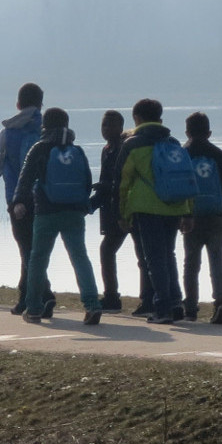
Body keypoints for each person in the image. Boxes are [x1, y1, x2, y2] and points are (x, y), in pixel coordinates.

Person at [11, 108, 102, 325]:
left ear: (45, 126)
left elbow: (25, 179)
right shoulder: (76, 149)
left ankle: (33, 309)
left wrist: (19, 202)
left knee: (38, 259)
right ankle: (92, 304)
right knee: (80, 257)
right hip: (74, 213)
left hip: (46, 212)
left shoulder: (39, 148)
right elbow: (87, 182)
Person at [117, 99, 194, 325]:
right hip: (174, 205)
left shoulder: (132, 144)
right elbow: (186, 177)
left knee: (154, 259)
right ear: (160, 117)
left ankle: (162, 308)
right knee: (168, 254)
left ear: (137, 119)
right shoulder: (173, 142)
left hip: (145, 207)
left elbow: (122, 182)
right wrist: (188, 211)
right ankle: (176, 303)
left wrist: (122, 213)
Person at [0, 83, 45, 315]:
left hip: (16, 198)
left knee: (26, 249)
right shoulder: (47, 129)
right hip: (45, 199)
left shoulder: (8, 131)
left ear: (18, 105)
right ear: (41, 104)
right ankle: (29, 297)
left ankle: (39, 295)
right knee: (37, 249)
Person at [181, 112, 222, 324]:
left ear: (187, 131)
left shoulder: (182, 154)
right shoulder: (219, 154)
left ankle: (190, 307)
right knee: (217, 258)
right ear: (209, 132)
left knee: (191, 262)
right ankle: (221, 302)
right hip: (217, 215)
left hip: (191, 215)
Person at [90, 110, 136, 314]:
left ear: (120, 127)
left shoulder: (124, 148)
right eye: (103, 125)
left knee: (139, 254)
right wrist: (90, 204)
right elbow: (106, 180)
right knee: (107, 251)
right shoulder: (106, 150)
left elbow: (121, 182)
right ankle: (111, 296)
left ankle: (116, 297)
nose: (106, 129)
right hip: (110, 209)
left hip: (127, 208)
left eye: (110, 125)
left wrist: (102, 186)